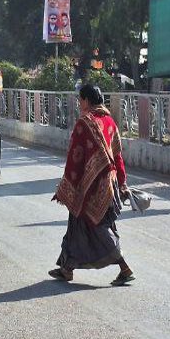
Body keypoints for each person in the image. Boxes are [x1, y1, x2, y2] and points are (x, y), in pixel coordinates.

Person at [50, 84, 133, 286]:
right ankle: (66, 268)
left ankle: (125, 267)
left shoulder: (84, 123)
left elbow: (75, 157)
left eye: (80, 100)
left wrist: (69, 183)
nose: (79, 104)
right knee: (77, 226)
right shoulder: (110, 122)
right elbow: (117, 156)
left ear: (86, 100)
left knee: (98, 228)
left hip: (91, 188)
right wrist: (122, 182)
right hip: (110, 184)